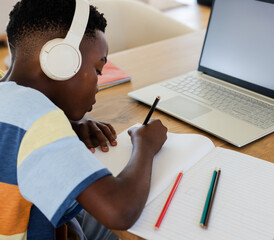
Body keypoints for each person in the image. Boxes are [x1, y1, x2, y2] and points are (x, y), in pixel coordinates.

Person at [0, 0, 168, 239]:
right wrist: (145, 145)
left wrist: (68, 126)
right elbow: (120, 211)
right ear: (61, 60)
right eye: (98, 70)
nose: (98, 84)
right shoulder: (39, 123)